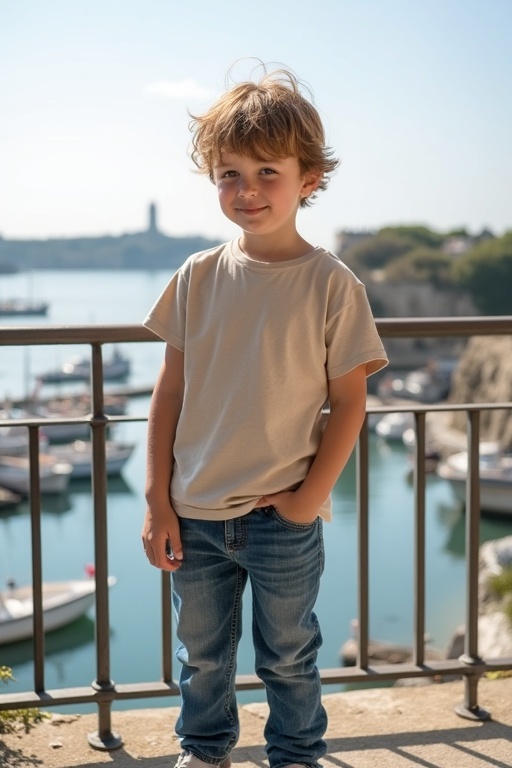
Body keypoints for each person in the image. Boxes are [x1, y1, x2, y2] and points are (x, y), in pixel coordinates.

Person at [141, 65, 388, 768]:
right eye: (228, 173)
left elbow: (351, 402)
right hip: (192, 512)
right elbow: (169, 393)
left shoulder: (333, 285)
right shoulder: (196, 275)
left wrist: (309, 500)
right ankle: (207, 751)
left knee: (289, 657)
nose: (246, 190)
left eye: (267, 172)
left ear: (310, 178)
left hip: (282, 518)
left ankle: (297, 757)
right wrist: (158, 502)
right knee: (203, 660)